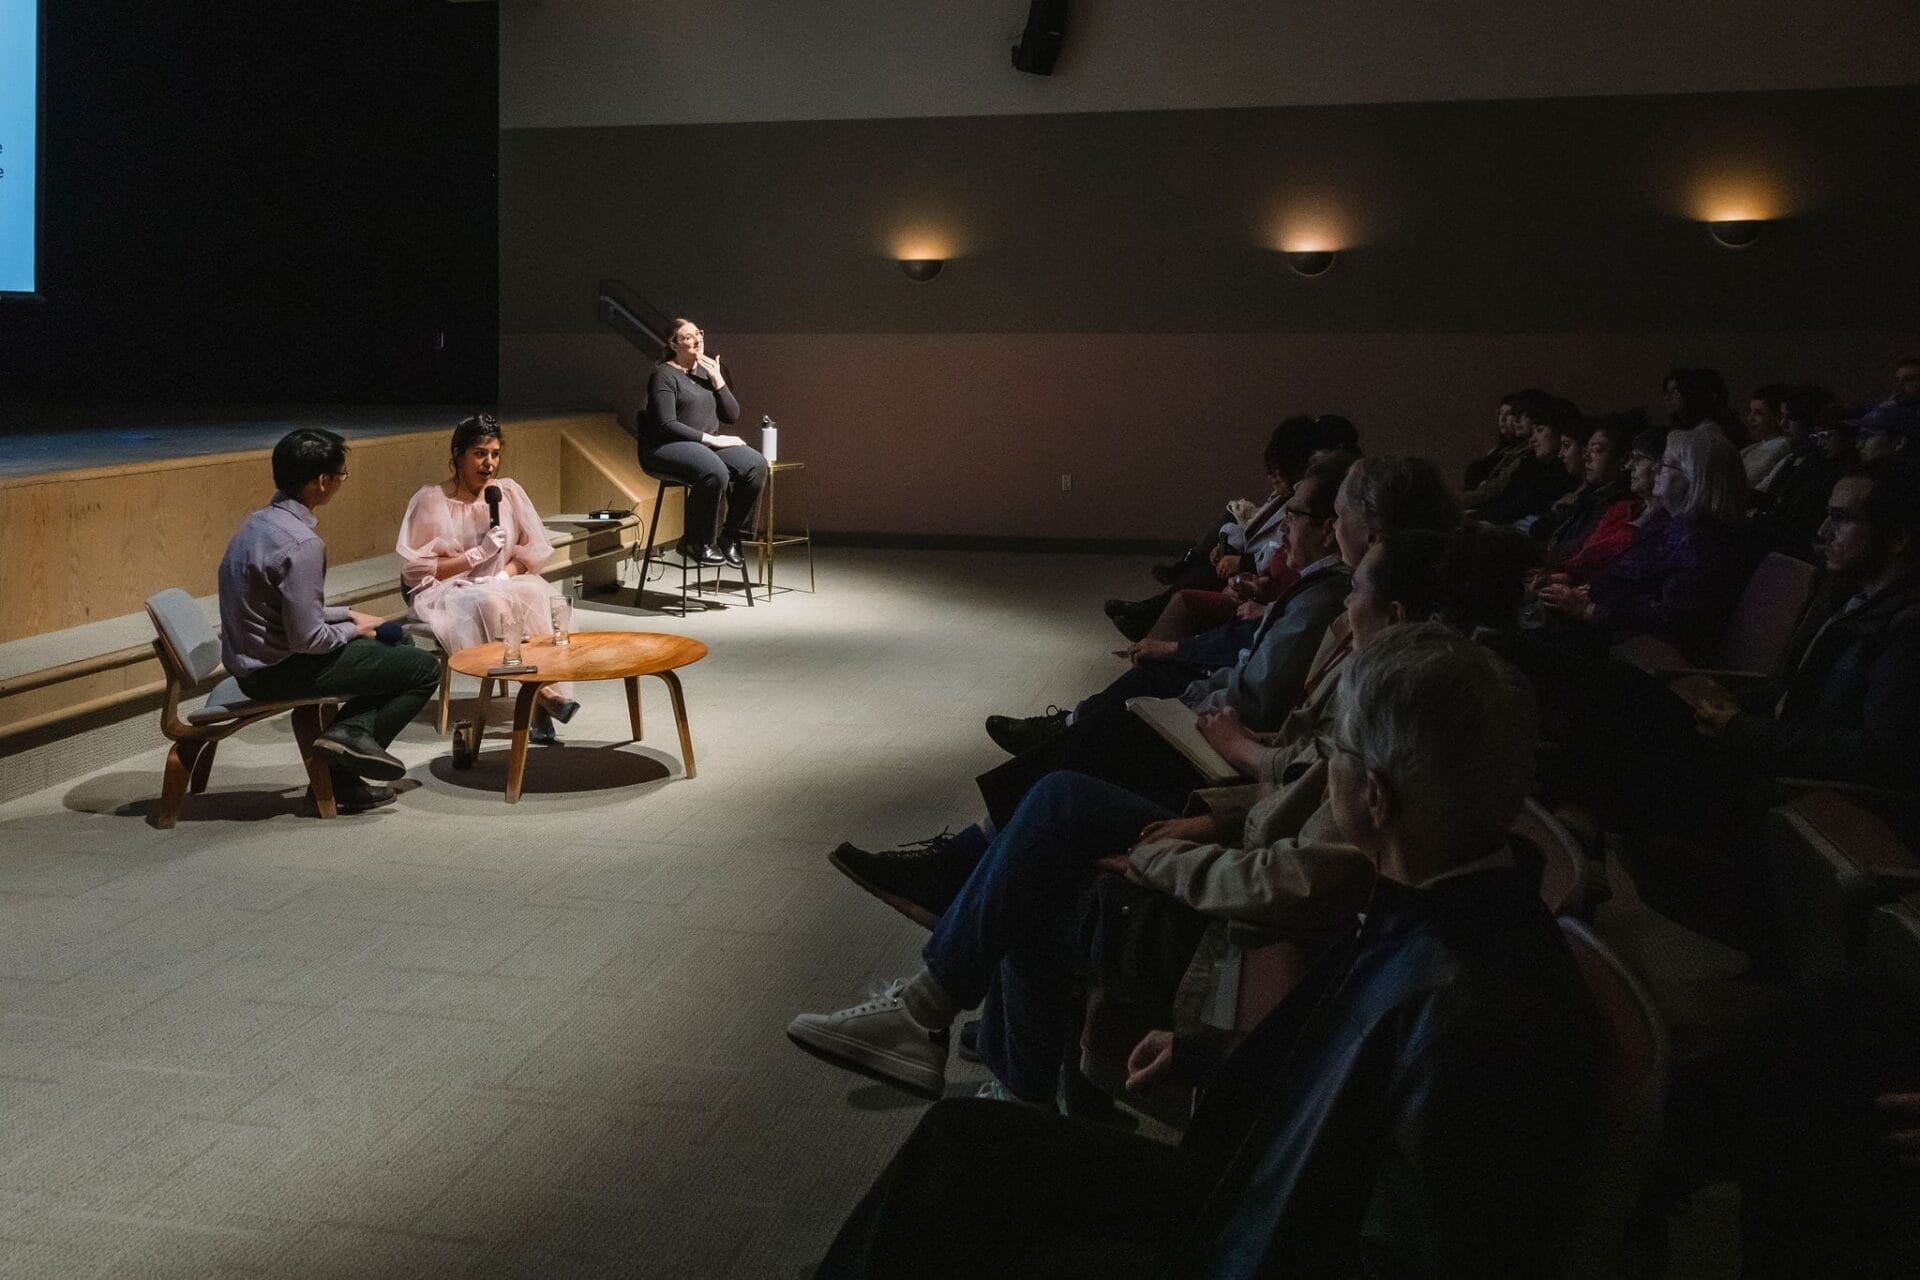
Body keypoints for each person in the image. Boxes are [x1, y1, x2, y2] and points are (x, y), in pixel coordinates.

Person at [802, 624, 1599, 1279]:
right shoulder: (1450, 906)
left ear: (1378, 798)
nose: (1327, 779)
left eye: (1338, 761)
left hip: (1258, 1228)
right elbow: (1359, 1089)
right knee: (962, 1148)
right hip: (1267, 1184)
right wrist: (1210, 1056)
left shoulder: (1471, 1008)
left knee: (962, 1163)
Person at [216, 428, 442, 813]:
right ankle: (342, 758)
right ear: (323, 481)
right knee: (423, 668)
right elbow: (308, 639)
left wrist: (349, 613)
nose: (341, 483)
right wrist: (354, 629)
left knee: (397, 643)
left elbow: (284, 608)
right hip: (278, 670)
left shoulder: (257, 524)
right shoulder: (302, 545)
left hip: (254, 662)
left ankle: (347, 748)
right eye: (341, 476)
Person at [396, 414, 579, 743]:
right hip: (446, 590)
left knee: (535, 596)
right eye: (480, 454)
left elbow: (530, 555)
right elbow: (420, 571)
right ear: (458, 455)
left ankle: (538, 708)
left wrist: (504, 576)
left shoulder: (506, 494)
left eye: (494, 454)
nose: (489, 463)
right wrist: (475, 555)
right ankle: (544, 697)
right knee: (492, 603)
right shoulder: (433, 501)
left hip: (498, 584)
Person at [1539, 426, 1754, 661]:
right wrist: (1580, 592)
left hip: (1629, 653)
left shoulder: (1700, 541)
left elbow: (1671, 618)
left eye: (1667, 463)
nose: (1657, 468)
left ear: (1695, 478)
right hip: (1606, 630)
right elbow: (1625, 576)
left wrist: (1589, 610)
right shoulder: (1669, 522)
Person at [638, 317, 767, 567]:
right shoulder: (663, 374)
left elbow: (731, 415)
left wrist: (718, 380)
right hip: (667, 446)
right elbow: (667, 424)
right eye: (687, 337)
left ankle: (730, 536)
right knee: (713, 469)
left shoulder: (708, 372)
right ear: (673, 344)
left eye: (698, 334)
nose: (697, 340)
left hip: (705, 447)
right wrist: (714, 440)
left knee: (755, 464)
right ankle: (697, 541)